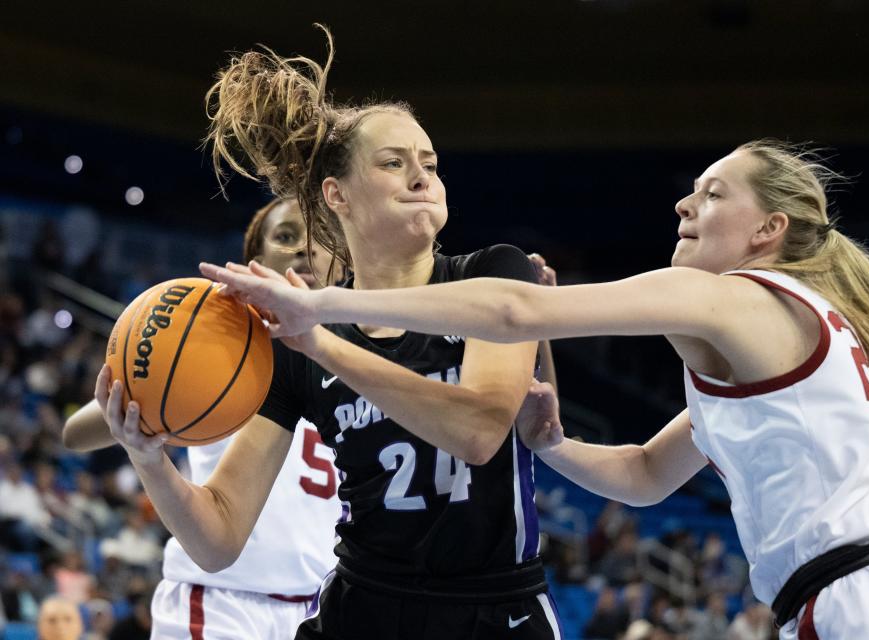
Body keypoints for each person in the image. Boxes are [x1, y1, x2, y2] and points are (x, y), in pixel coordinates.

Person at [205, 140, 869, 639]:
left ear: (768, 229)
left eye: (712, 194)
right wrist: (555, 444)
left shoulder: (738, 299)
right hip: (865, 599)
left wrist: (325, 307)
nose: (683, 206)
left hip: (867, 605)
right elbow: (642, 476)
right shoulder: (770, 356)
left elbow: (514, 309)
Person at [103, 28, 562, 640]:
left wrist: (320, 342)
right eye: (394, 163)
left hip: (492, 609)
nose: (421, 177)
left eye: (430, 164)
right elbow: (218, 539)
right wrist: (148, 457)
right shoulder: (298, 346)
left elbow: (479, 431)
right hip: (363, 605)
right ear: (336, 196)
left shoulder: (493, 272)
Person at [63, 198, 343, 639]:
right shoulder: (220, 342)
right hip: (220, 604)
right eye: (286, 236)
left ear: (342, 265)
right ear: (254, 263)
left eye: (321, 239)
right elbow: (74, 434)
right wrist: (129, 409)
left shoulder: (358, 358)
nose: (303, 249)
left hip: (319, 611)